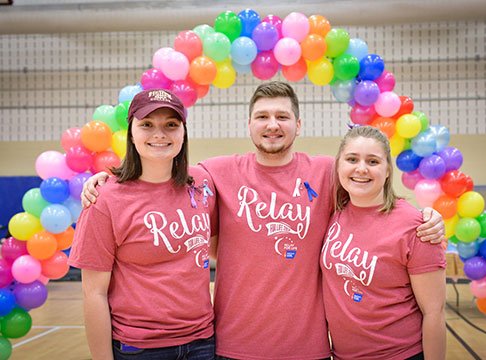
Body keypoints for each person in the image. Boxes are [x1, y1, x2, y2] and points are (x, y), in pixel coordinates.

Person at [81, 81, 446, 360]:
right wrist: (105, 180)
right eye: (263, 117)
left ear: (298, 125)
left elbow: (370, 188)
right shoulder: (213, 175)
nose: (273, 125)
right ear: (250, 124)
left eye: (282, 116)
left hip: (310, 348)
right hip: (229, 345)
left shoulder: (327, 172)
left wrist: (427, 217)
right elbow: (156, 173)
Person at [69, 89, 217, 360]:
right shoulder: (104, 199)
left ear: (183, 133)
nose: (159, 134)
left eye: (171, 125)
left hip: (203, 342)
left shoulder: (203, 181)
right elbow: (94, 294)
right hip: (139, 349)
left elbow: (220, 246)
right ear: (131, 134)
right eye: (147, 125)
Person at [321, 125, 446, 360]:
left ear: (388, 169)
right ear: (339, 165)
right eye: (351, 159)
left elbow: (434, 313)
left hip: (400, 355)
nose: (361, 169)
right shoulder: (332, 212)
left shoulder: (416, 226)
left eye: (373, 161)